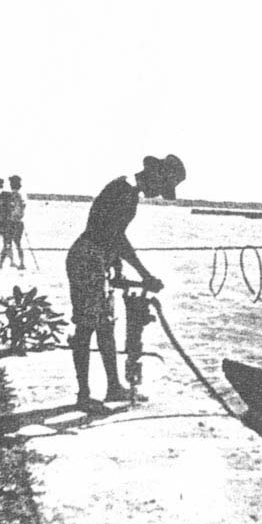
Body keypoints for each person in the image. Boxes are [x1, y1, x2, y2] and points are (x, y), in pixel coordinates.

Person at [65, 154, 186, 413]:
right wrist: (145, 275)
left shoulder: (127, 190)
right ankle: (84, 396)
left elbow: (112, 238)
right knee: (86, 328)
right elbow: (116, 238)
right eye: (161, 187)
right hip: (87, 258)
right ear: (154, 173)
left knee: (106, 326)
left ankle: (113, 387)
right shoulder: (124, 192)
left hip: (99, 259)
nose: (158, 194)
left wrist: (116, 269)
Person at [0, 175, 27, 269]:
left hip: (12, 222)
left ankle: (1, 263)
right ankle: (21, 263)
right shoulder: (19, 196)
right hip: (18, 222)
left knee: (8, 243)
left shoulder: (14, 196)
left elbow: (15, 209)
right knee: (16, 244)